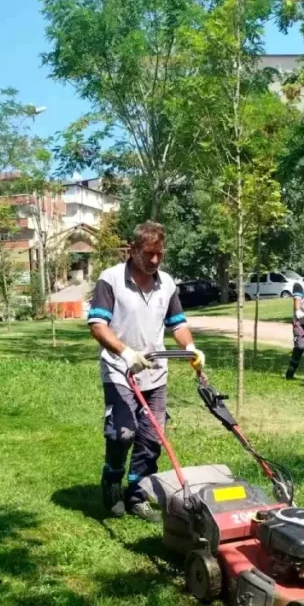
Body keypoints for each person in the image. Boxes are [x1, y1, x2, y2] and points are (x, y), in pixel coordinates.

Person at [87, 221, 205, 522]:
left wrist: (190, 348)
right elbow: (97, 325)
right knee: (122, 433)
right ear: (134, 248)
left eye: (159, 254)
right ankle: (111, 481)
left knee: (152, 438)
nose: (154, 260)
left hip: (155, 372)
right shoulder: (111, 279)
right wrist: (126, 353)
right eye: (149, 253)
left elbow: (177, 323)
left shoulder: (166, 283)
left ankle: (137, 493)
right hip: (119, 370)